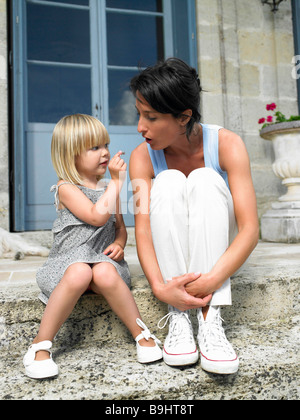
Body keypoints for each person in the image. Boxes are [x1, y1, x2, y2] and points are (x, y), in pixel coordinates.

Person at [129, 58, 259, 375]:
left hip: (216, 249)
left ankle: (209, 317)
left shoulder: (228, 144)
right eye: (139, 114)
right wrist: (160, 288)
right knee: (170, 181)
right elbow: (143, 231)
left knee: (205, 179)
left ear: (184, 117)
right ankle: (178, 315)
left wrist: (213, 281)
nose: (140, 127)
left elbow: (250, 229)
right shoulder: (140, 157)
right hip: (171, 263)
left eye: (151, 117)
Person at [23, 114, 162, 380]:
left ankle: (141, 333)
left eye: (106, 145)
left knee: (102, 272)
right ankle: (40, 345)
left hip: (102, 262)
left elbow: (119, 227)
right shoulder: (66, 188)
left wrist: (120, 244)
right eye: (94, 147)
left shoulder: (110, 188)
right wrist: (119, 183)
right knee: (80, 272)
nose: (105, 153)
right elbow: (97, 216)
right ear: (71, 155)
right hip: (67, 267)